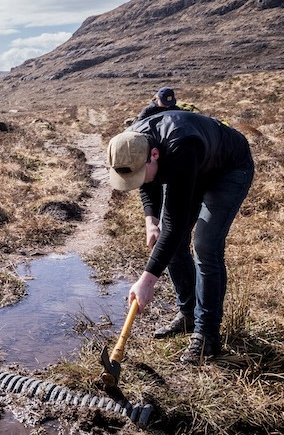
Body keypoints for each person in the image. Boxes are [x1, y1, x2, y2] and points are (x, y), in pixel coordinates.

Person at [105, 110, 254, 364]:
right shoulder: (133, 143)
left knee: (205, 246)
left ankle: (206, 336)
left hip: (229, 168)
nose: (138, 181)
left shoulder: (182, 145)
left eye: (141, 173)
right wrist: (150, 220)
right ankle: (188, 314)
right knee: (170, 241)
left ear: (154, 155)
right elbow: (148, 183)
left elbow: (175, 224)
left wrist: (147, 281)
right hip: (191, 167)